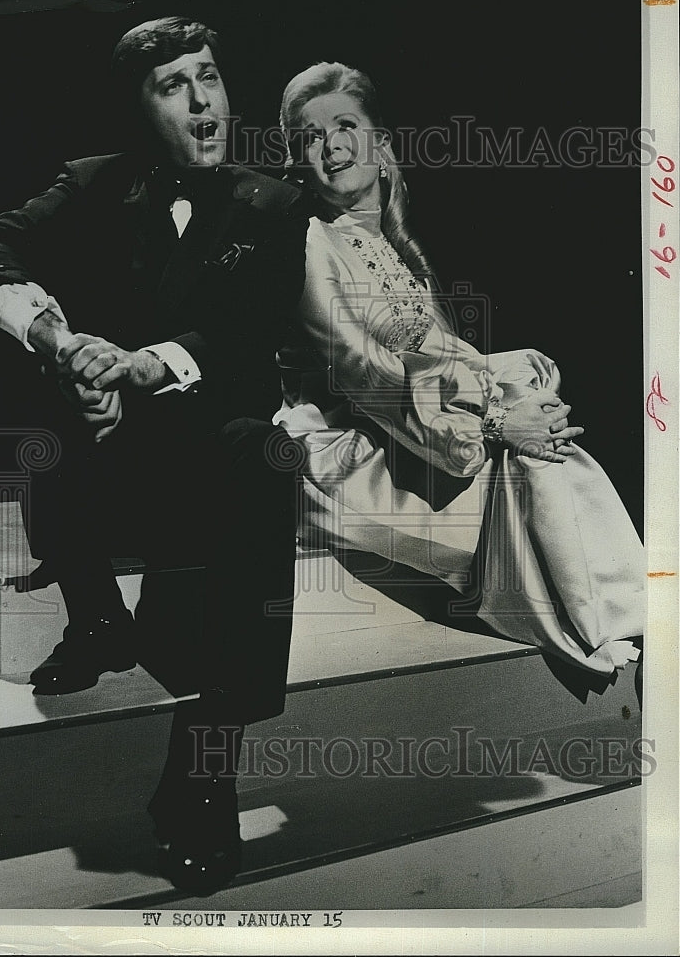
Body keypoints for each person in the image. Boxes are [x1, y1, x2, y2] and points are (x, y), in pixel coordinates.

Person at [0, 16, 309, 895]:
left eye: (211, 77)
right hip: (99, 451)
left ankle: (203, 774)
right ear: (137, 108)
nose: (204, 102)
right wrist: (61, 343)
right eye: (173, 86)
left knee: (262, 453)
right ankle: (95, 618)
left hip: (201, 446)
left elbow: (252, 334)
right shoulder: (93, 182)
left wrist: (145, 365)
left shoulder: (271, 203)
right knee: (26, 391)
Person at [275, 62, 643, 697]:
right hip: (339, 452)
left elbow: (438, 366)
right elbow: (365, 372)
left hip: (408, 433)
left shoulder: (394, 249)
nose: (330, 145)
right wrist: (499, 422)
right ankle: (619, 626)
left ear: (382, 147)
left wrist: (505, 391)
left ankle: (620, 626)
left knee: (538, 433)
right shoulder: (310, 241)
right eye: (309, 137)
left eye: (344, 126)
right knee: (537, 459)